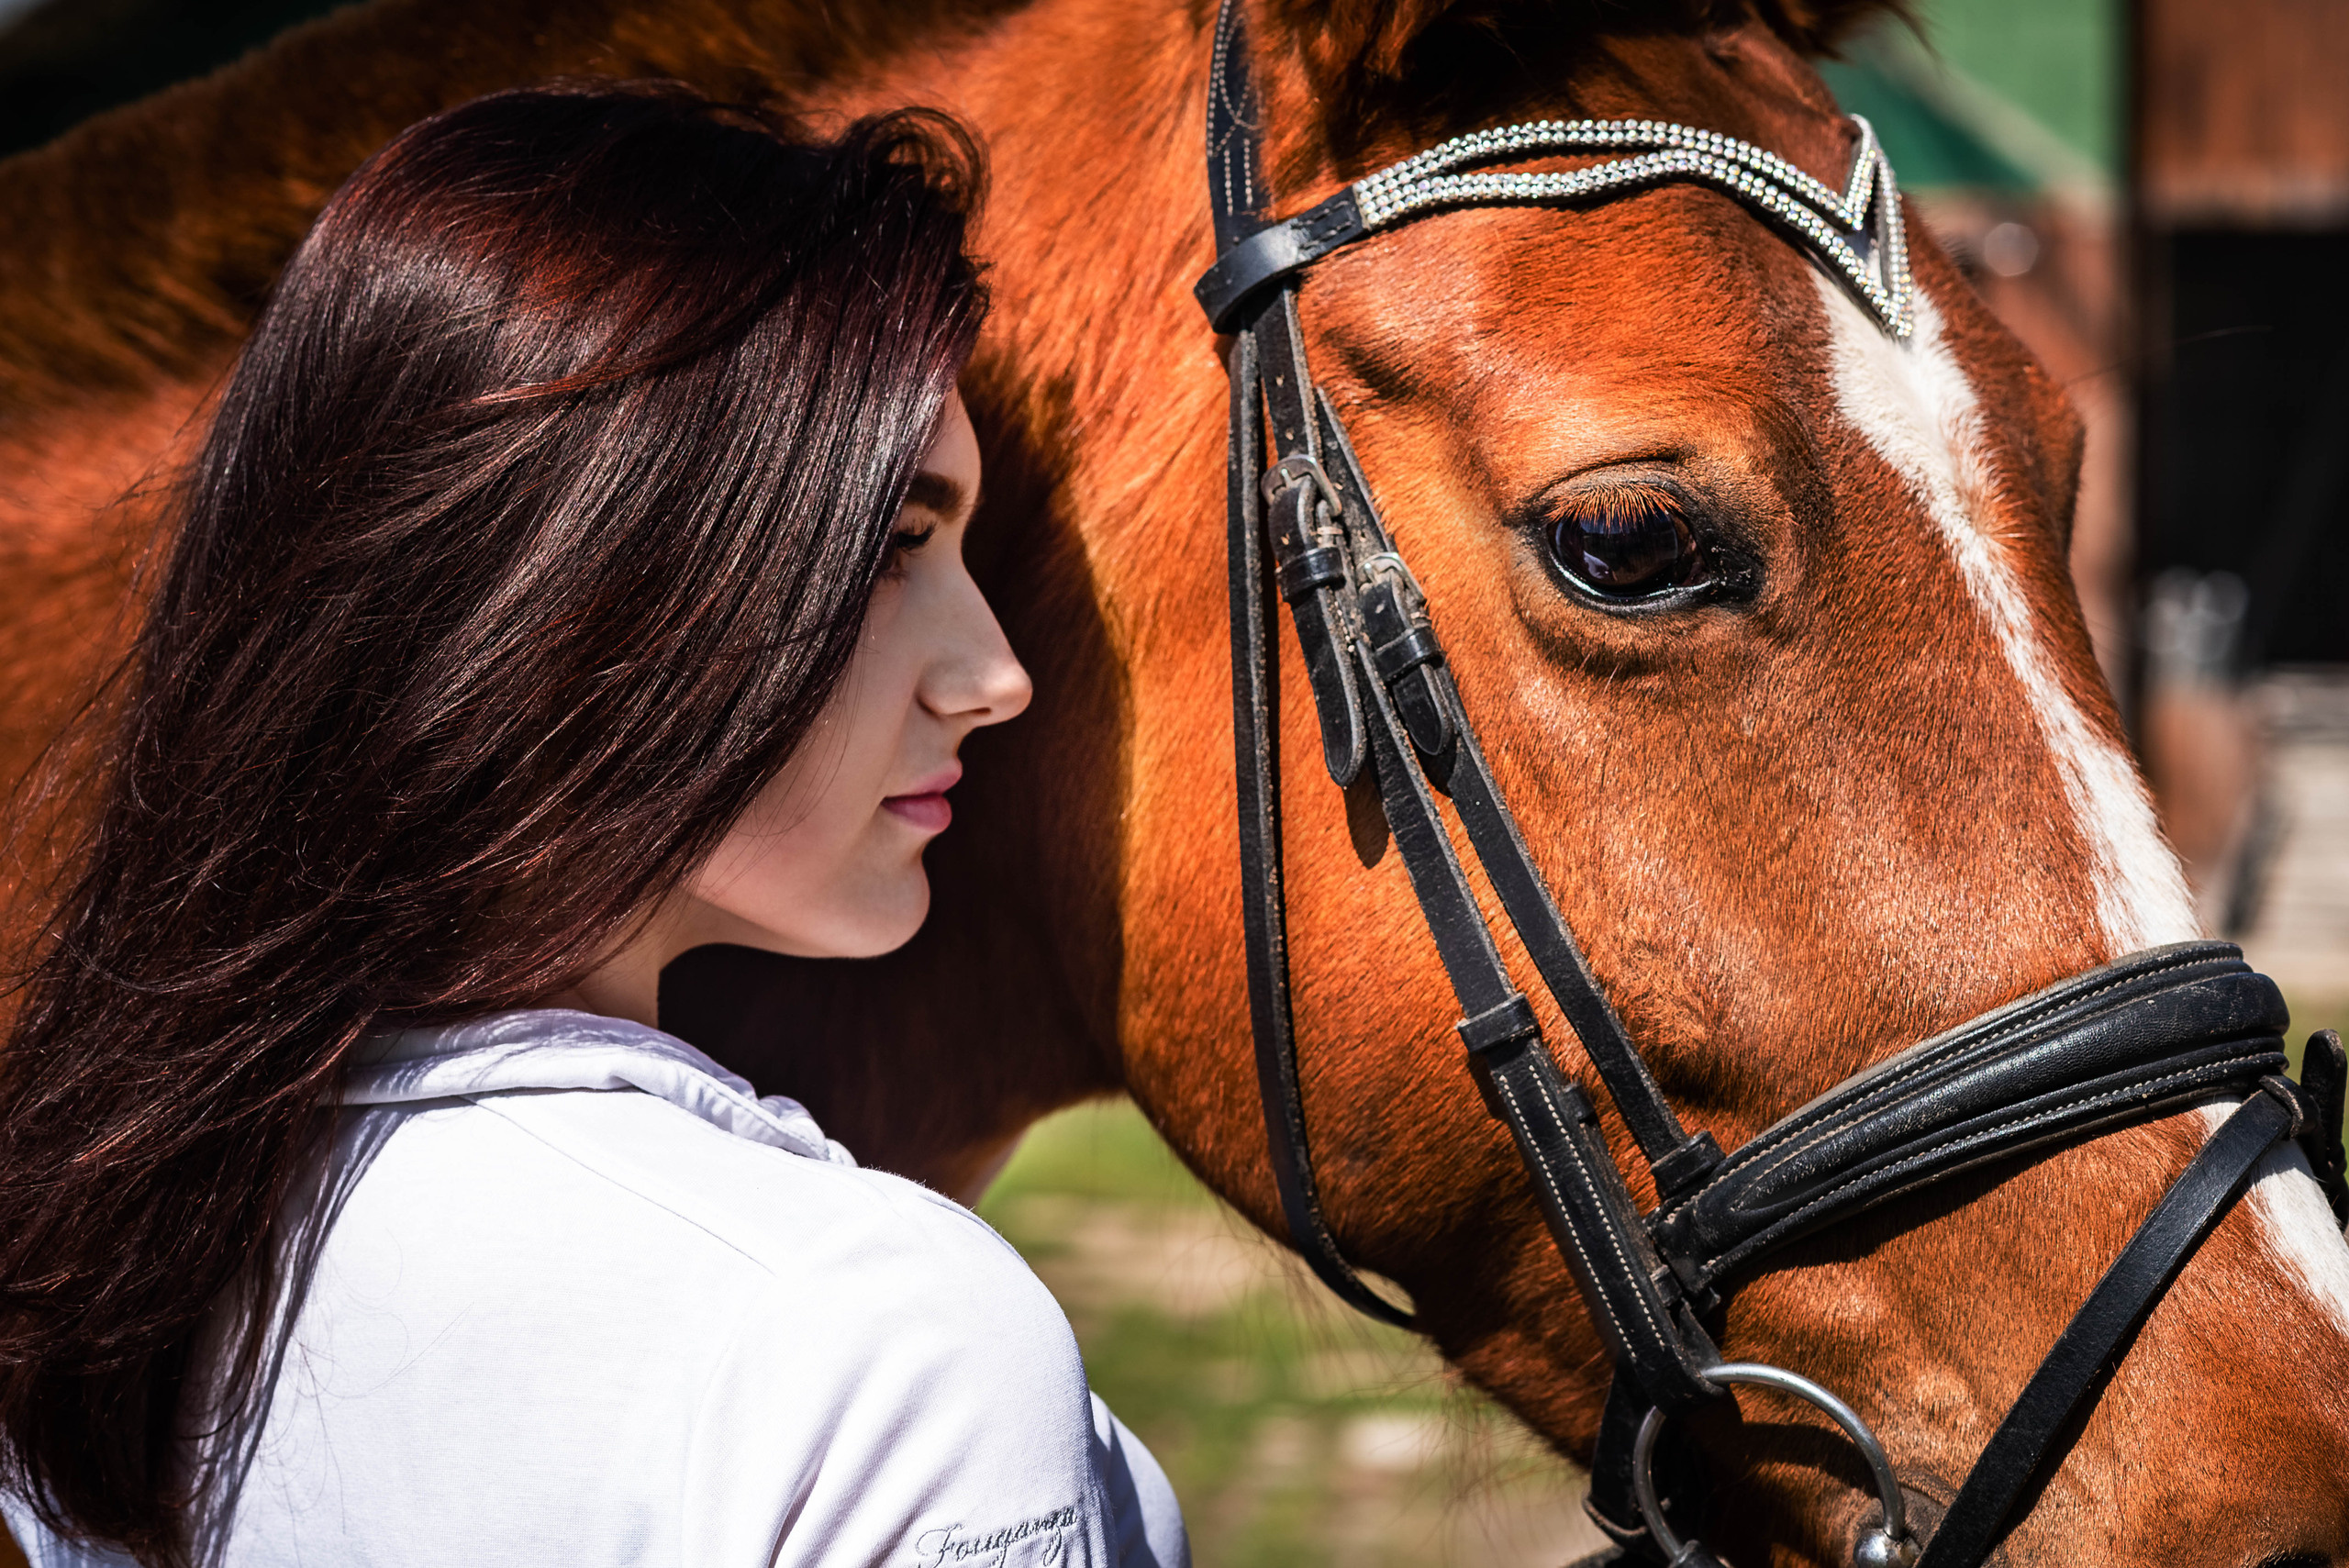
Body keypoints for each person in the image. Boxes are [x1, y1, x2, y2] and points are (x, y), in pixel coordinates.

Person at [0, 83, 1187, 1568]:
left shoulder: (116, 1276)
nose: (997, 676)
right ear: (577, 588)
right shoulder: (881, 1347)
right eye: (894, 546)